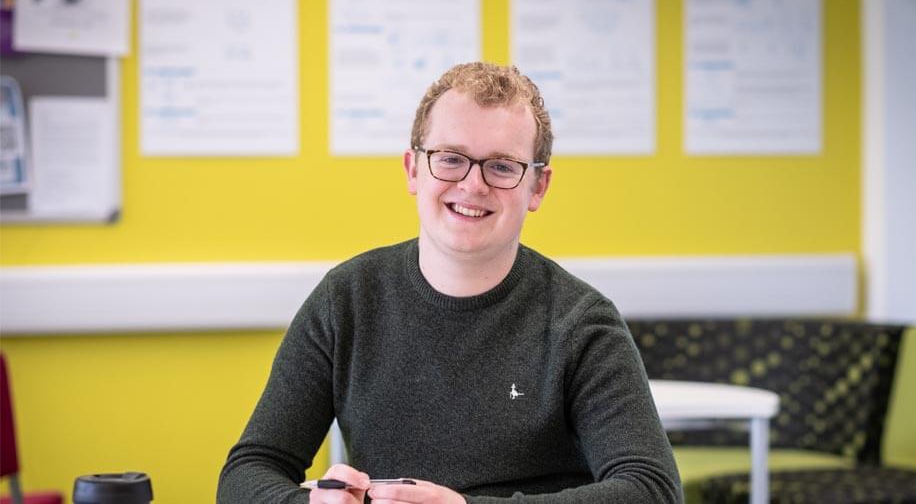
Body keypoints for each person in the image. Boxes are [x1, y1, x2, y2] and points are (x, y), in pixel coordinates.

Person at [217, 62, 682, 504]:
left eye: (502, 166)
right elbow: (248, 471)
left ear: (537, 187)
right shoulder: (348, 300)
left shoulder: (581, 324)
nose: (473, 185)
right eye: (451, 158)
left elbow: (651, 490)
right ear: (413, 169)